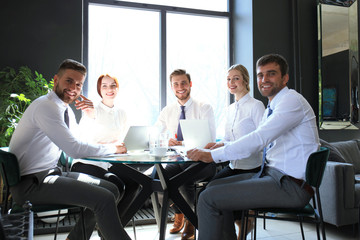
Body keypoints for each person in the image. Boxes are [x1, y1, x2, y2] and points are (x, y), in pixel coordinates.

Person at [187, 54, 320, 240]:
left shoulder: (292, 101)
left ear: (285, 78)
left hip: (291, 186)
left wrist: (212, 156)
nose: (264, 80)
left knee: (208, 198)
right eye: (260, 75)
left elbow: (258, 138)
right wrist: (216, 150)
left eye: (271, 74)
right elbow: (252, 138)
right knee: (212, 187)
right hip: (273, 175)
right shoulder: (273, 106)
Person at [9, 59, 131, 240]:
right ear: (56, 80)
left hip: (50, 174)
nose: (74, 87)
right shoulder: (46, 107)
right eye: (69, 81)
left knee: (112, 190)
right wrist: (112, 148)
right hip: (31, 184)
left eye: (79, 84)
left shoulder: (64, 109)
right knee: (104, 199)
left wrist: (90, 116)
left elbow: (79, 139)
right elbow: (74, 149)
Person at [155, 69, 217, 240]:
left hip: (202, 161)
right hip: (177, 159)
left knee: (184, 178)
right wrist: (166, 139)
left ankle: (191, 220)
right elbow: (154, 133)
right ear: (171, 87)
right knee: (158, 179)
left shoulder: (204, 108)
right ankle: (180, 212)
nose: (180, 87)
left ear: (190, 84)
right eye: (176, 84)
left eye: (183, 83)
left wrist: (183, 143)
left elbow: (210, 139)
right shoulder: (167, 111)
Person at [204, 64, 264, 238]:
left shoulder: (256, 106)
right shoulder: (230, 109)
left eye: (236, 78)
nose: (231, 82)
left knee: (219, 190)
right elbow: (229, 140)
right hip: (233, 165)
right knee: (210, 188)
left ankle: (241, 224)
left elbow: (262, 140)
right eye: (228, 79)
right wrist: (218, 145)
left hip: (251, 167)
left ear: (245, 81)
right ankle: (240, 224)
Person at [71, 74, 140, 219]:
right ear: (99, 90)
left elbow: (124, 141)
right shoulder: (92, 110)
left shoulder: (122, 113)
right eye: (105, 86)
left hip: (110, 162)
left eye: (113, 85)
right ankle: (109, 229)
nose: (109, 89)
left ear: (117, 88)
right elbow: (84, 142)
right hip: (88, 162)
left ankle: (113, 228)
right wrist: (90, 115)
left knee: (134, 183)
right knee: (116, 185)